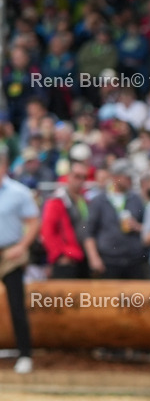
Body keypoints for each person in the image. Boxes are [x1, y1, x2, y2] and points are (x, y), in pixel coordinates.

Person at [0, 148, 40, 374]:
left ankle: (25, 354)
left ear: (4, 167)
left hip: (11, 254)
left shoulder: (19, 192)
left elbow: (33, 222)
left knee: (17, 305)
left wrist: (22, 246)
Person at [83, 160, 148, 279]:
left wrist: (137, 227)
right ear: (115, 177)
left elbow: (148, 227)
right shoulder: (99, 200)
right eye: (126, 177)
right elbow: (89, 233)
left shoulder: (136, 199)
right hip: (108, 261)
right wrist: (94, 258)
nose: (130, 180)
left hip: (134, 261)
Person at [40, 158, 91, 279]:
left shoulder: (83, 200)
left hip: (82, 257)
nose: (80, 181)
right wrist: (59, 255)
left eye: (83, 177)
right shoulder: (57, 200)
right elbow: (47, 231)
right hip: (67, 259)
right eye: (77, 176)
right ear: (68, 176)